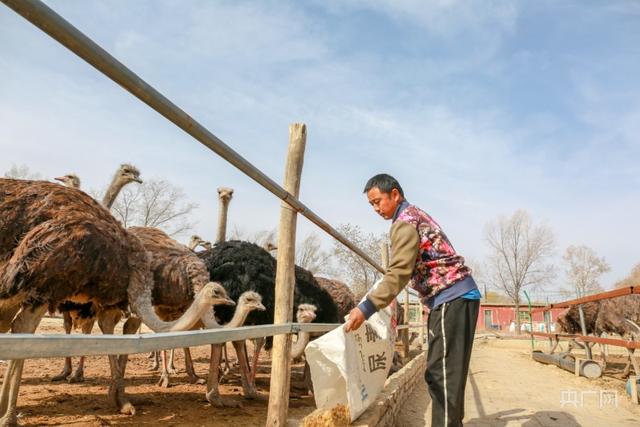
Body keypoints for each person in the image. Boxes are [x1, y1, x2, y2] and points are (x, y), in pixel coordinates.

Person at [344, 173, 480, 427]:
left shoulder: (404, 223)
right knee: (445, 373)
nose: (375, 209)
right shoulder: (412, 216)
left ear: (395, 194)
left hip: (451, 296)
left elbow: (399, 271)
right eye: (371, 204)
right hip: (453, 297)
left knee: (442, 375)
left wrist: (366, 307)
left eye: (378, 201)